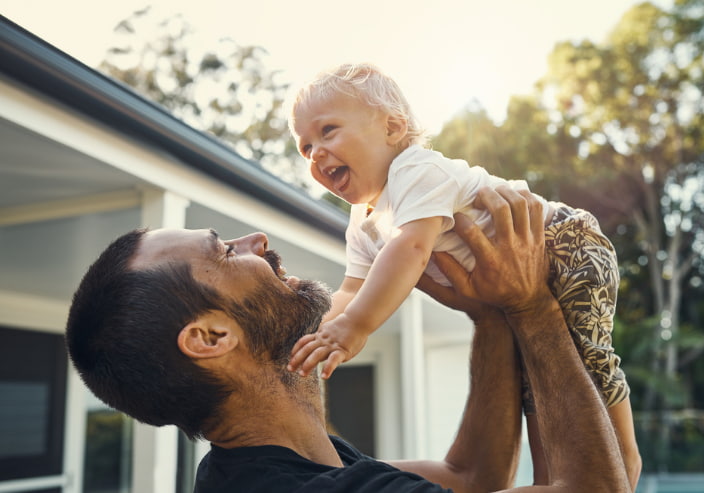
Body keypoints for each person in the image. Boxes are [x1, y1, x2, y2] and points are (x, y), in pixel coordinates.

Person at [65, 186, 631, 492]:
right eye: (223, 250)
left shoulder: (286, 466)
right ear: (212, 336)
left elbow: (472, 477)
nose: (255, 240)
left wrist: (491, 317)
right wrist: (531, 307)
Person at [288, 62, 640, 487]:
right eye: (305, 147)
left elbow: (411, 250)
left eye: (328, 131)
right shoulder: (364, 220)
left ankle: (624, 462)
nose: (316, 153)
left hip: (562, 244)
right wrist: (312, 333)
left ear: (393, 128)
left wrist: (355, 326)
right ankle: (565, 477)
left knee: (585, 362)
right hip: (519, 281)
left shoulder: (415, 172)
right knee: (539, 388)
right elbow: (350, 288)